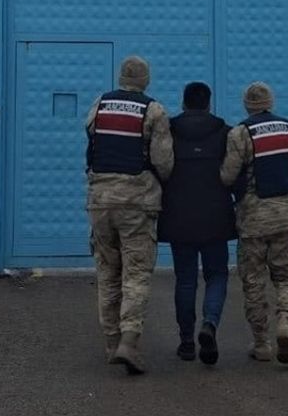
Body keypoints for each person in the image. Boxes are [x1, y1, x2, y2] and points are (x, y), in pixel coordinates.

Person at [84, 55, 173, 375]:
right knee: (135, 273)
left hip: (100, 201)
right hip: (137, 202)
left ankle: (111, 343)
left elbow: (91, 140)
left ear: (121, 77)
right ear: (146, 80)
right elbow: (164, 161)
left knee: (107, 271)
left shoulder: (100, 104)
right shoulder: (154, 110)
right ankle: (129, 342)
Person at [220, 81, 288, 364]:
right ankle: (285, 321)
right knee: (286, 276)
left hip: (254, 219)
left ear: (247, 104)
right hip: (287, 216)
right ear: (271, 101)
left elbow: (229, 175)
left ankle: (261, 343)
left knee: (254, 282)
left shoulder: (240, 133)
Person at [158, 82, 235, 365]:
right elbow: (234, 173)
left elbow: (160, 167)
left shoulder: (169, 130)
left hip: (179, 218)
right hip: (216, 218)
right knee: (217, 275)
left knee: (186, 279)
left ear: (184, 102)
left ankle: (187, 342)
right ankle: (210, 323)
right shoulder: (225, 133)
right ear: (208, 103)